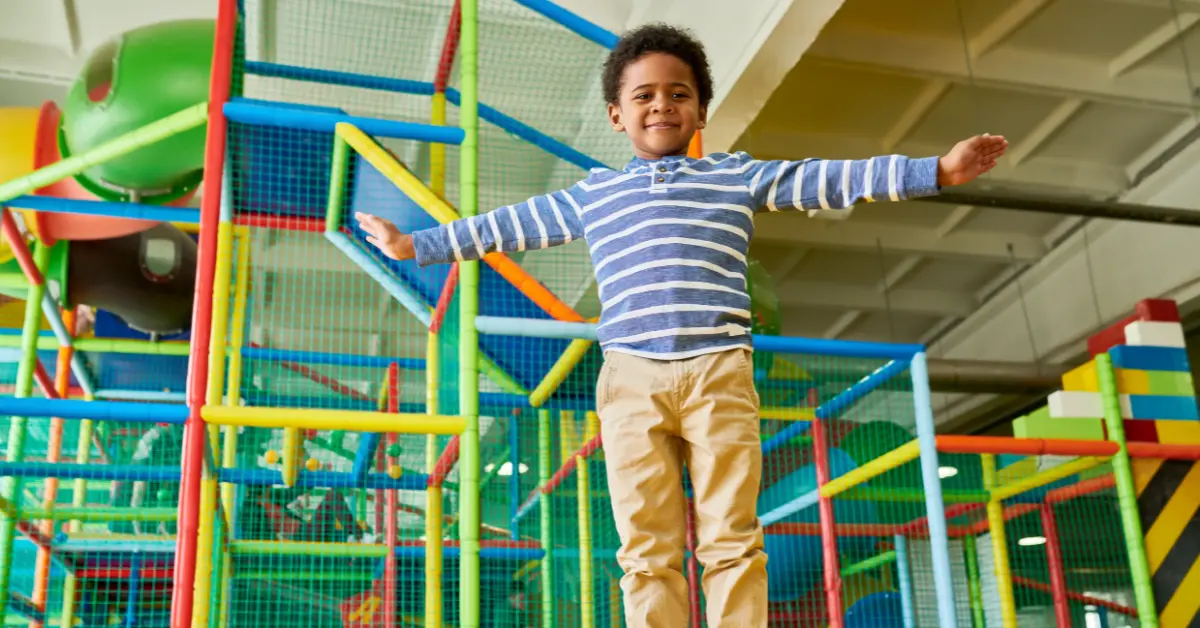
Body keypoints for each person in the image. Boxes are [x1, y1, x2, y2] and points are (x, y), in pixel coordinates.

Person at [356, 23, 1007, 628]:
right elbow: (506, 226)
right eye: (644, 95)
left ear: (700, 110)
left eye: (678, 93)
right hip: (632, 380)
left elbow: (825, 180)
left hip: (717, 372)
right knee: (646, 544)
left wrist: (937, 171)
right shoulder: (595, 194)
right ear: (617, 115)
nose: (661, 104)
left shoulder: (734, 176)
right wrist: (419, 246)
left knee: (732, 536)